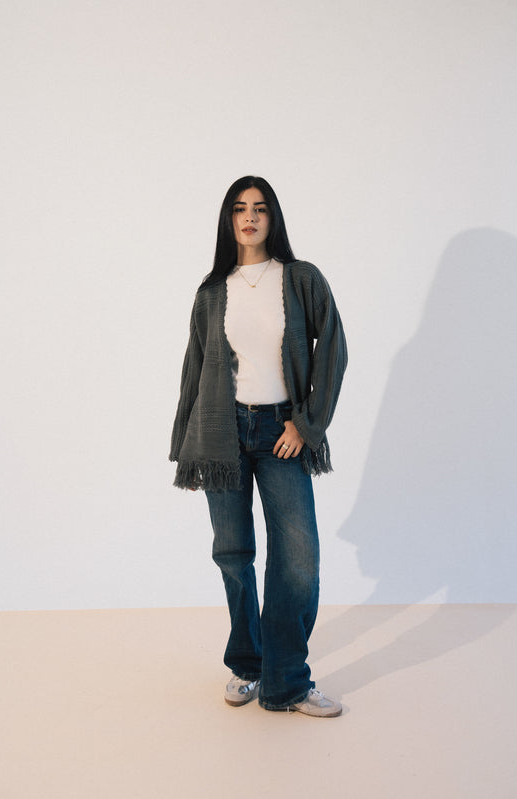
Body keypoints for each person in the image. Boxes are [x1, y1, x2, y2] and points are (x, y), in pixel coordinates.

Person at [170, 176, 347, 717]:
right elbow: (195, 369)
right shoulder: (211, 291)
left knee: (298, 558)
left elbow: (333, 350)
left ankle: (286, 680)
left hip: (280, 432)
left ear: (274, 218)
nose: (250, 217)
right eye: (240, 209)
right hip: (221, 432)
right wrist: (186, 448)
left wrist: (306, 426)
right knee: (233, 553)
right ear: (229, 220)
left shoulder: (300, 278)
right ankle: (249, 665)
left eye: (260, 208)